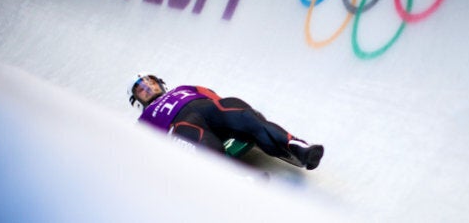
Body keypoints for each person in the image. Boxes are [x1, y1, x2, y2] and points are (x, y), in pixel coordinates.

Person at [127, 73, 324, 170]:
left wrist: (238, 119)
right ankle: (234, 179)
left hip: (211, 111)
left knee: (243, 115)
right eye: (142, 89)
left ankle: (299, 148)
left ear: (160, 82)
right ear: (137, 101)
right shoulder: (143, 121)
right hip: (183, 128)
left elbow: (212, 96)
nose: (148, 88)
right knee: (197, 140)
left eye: (150, 82)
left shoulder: (184, 87)